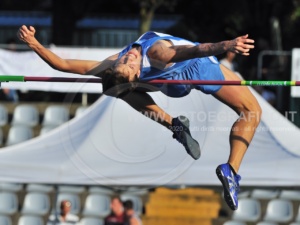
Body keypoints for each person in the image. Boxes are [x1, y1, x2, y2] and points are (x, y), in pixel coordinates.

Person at [17, 25, 262, 210]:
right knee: (251, 111)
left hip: (178, 76)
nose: (129, 59)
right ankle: (231, 169)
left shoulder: (117, 63)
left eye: (127, 61)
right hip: (196, 68)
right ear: (136, 74)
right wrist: (226, 45)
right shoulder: (154, 54)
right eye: (129, 65)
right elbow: (196, 49)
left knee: (116, 87)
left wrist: (33, 42)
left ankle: (174, 125)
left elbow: (62, 64)